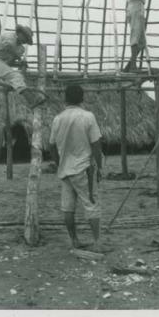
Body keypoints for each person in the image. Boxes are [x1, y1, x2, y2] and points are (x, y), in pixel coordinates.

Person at [49, 85, 105, 252]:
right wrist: (99, 167)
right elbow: (96, 144)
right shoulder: (88, 117)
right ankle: (97, 243)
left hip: (65, 170)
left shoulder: (57, 119)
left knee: (68, 207)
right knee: (91, 204)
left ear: (65, 99)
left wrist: (59, 163)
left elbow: (51, 146)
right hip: (83, 169)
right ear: (82, 98)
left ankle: (74, 241)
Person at [0, 24, 45, 109]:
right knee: (15, 76)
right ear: (20, 33)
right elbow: (8, 47)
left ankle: (31, 98)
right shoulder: (10, 36)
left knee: (17, 77)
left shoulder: (20, 49)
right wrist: (18, 57)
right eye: (25, 37)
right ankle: (31, 100)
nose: (25, 40)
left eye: (27, 39)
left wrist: (19, 63)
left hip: (0, 64)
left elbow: (9, 62)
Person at [119, 0, 147, 72]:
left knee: (142, 41)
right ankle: (133, 66)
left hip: (139, 6)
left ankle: (129, 66)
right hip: (134, 5)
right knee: (135, 35)